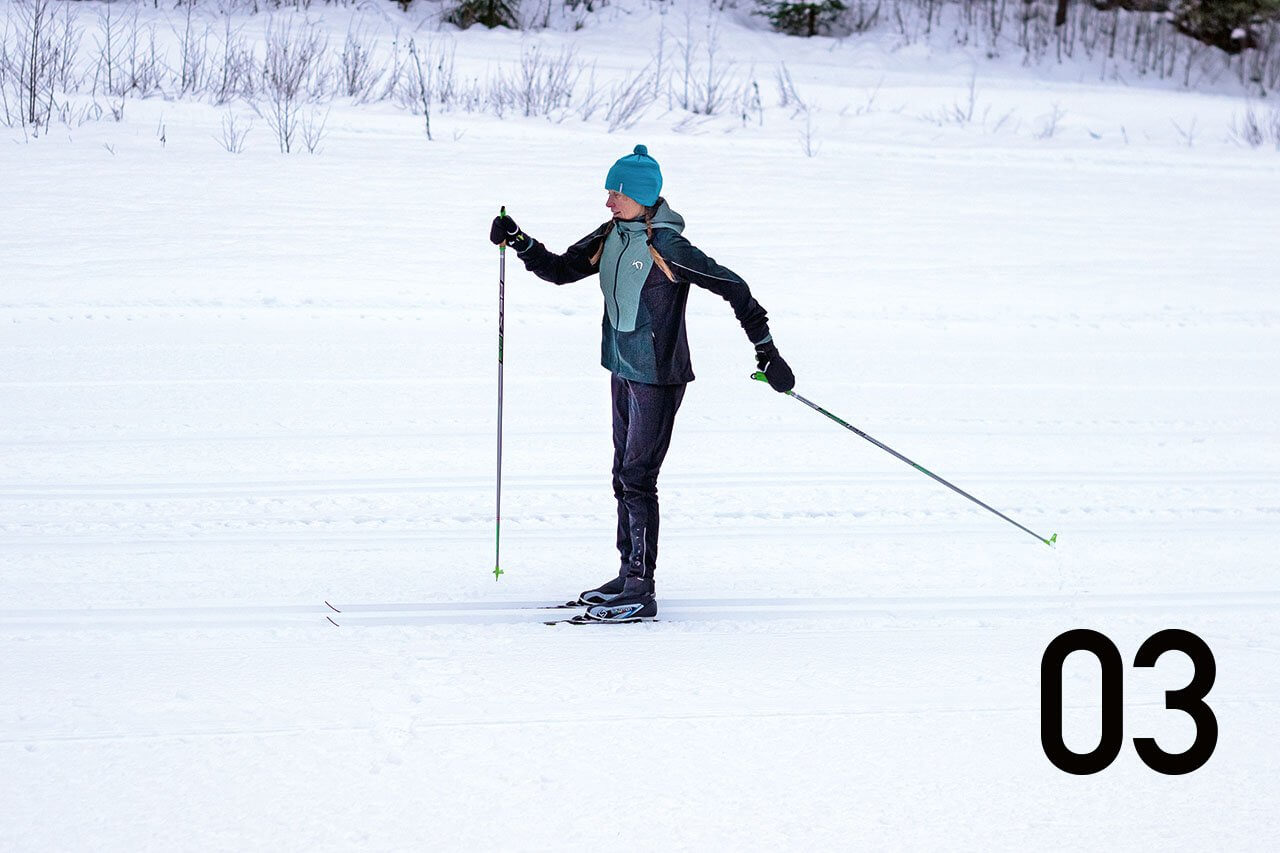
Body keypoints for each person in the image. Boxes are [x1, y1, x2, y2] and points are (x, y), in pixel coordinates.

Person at [489, 144, 794, 622]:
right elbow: (561, 270)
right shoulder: (614, 233)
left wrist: (767, 351)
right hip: (622, 368)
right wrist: (520, 240)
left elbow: (734, 287)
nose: (608, 201)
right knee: (622, 475)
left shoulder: (666, 246)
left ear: (641, 195)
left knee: (638, 477)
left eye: (616, 193)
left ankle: (641, 587)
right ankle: (627, 573)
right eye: (609, 191)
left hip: (658, 375)